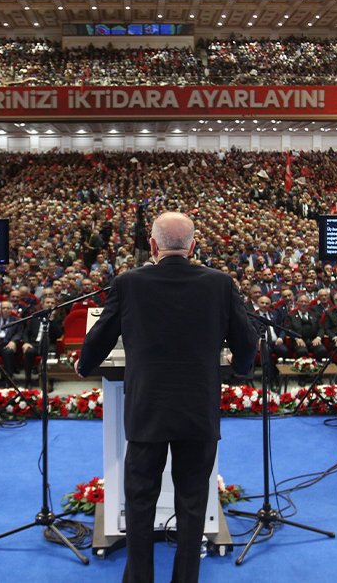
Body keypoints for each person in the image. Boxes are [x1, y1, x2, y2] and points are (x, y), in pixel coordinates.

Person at [78, 211, 256, 583]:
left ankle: (139, 578)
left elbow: (102, 334)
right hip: (197, 410)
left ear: (153, 246)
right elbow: (246, 340)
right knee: (192, 504)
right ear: (193, 246)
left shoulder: (129, 283)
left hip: (148, 410)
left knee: (140, 502)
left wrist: (85, 364)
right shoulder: (220, 284)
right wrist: (240, 366)